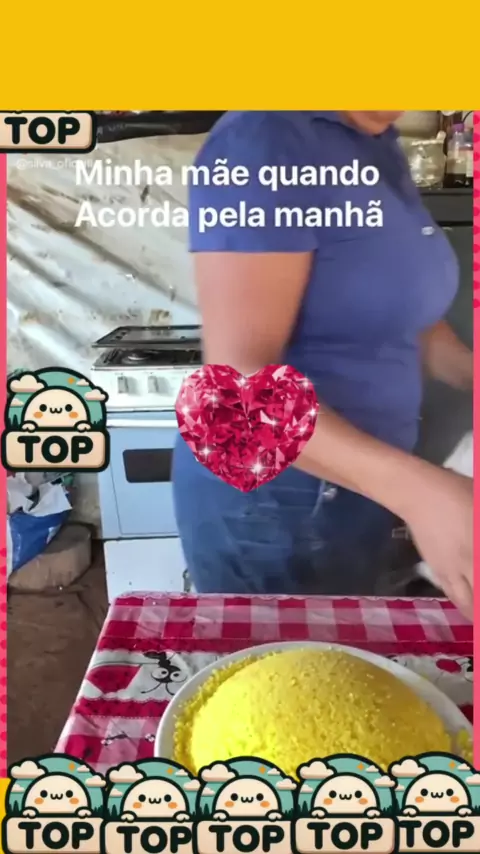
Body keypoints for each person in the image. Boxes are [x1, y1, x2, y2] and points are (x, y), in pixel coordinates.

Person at [172, 111, 473, 618]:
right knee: (294, 666)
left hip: (367, 482)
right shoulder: (264, 141)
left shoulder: (376, 141)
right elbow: (237, 394)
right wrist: (422, 494)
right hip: (275, 508)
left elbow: (404, 314)